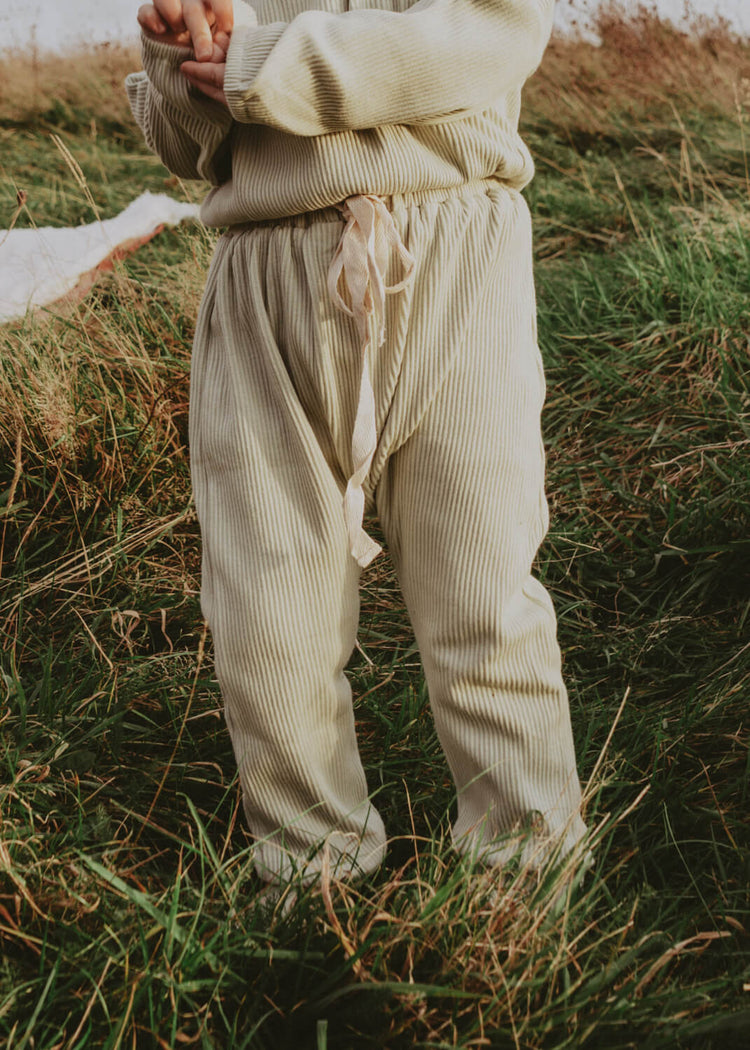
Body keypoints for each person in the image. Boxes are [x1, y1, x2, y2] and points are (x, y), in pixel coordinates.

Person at [126, 0, 588, 887]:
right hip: (264, 275)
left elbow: (493, 34)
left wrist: (269, 63)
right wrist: (177, 50)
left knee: (482, 589)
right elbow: (189, 150)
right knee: (268, 612)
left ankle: (525, 865)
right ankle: (312, 868)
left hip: (455, 255)